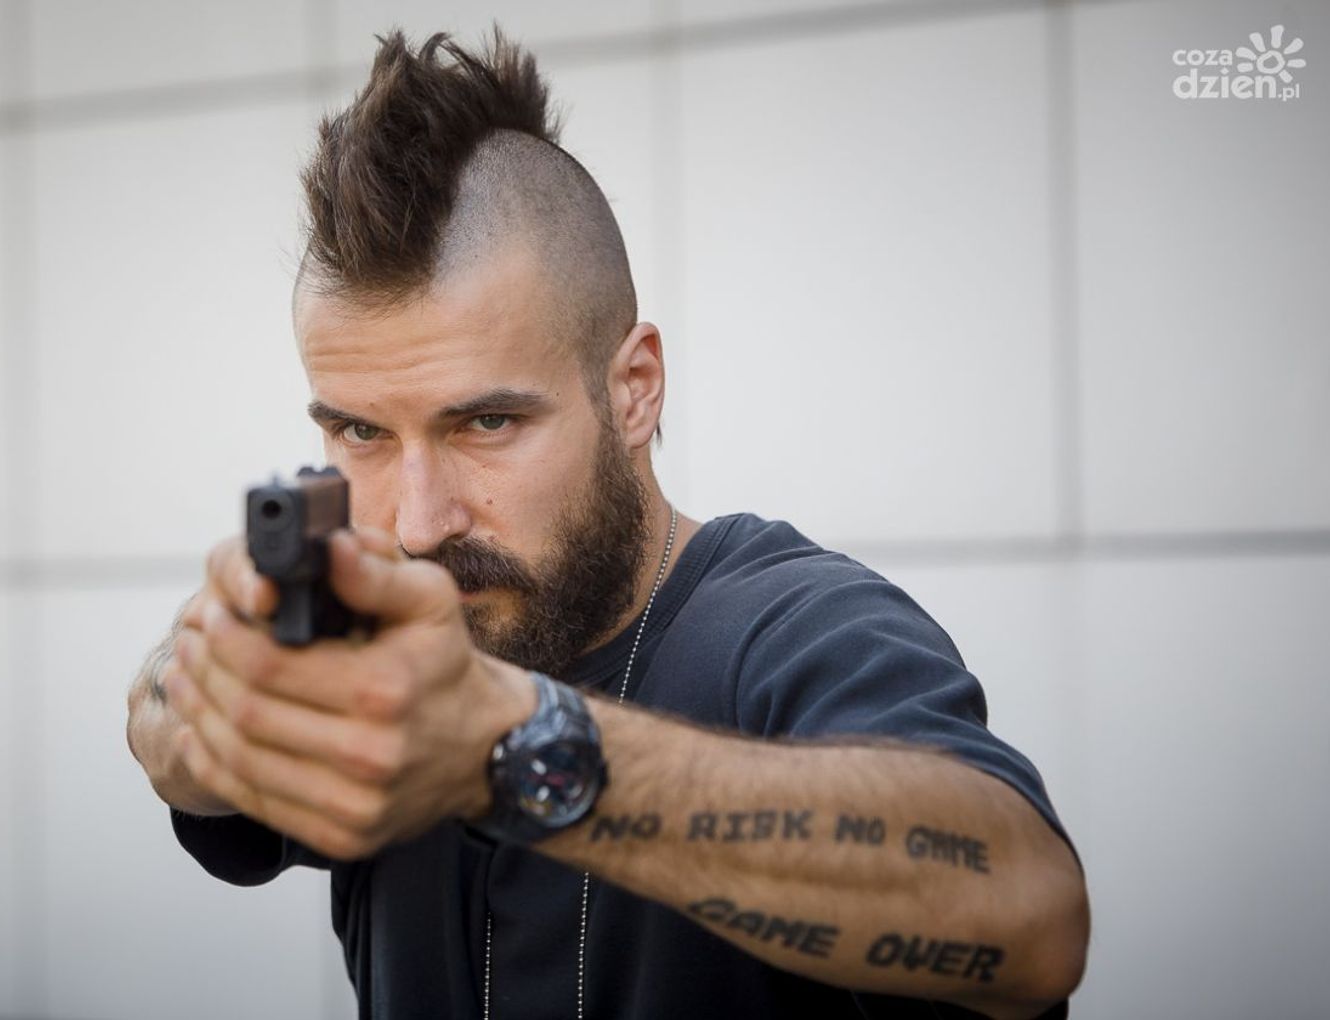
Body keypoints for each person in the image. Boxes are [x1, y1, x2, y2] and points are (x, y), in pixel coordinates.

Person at [125, 28, 1089, 1020]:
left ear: (633, 389)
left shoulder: (796, 630)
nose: (418, 523)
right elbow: (162, 723)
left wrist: (504, 748)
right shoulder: (377, 650)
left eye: (486, 423)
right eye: (362, 432)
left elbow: (1032, 916)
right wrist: (213, 685)